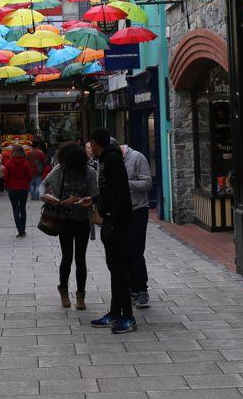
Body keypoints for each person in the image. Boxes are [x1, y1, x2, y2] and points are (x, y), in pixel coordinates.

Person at [40, 141, 98, 310]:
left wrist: (86, 200)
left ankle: (81, 294)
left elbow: (95, 194)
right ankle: (63, 290)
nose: (69, 169)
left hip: (82, 220)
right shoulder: (59, 169)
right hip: (64, 220)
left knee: (81, 259)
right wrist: (45, 196)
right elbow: (43, 184)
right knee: (67, 257)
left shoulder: (89, 172)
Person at [88, 128, 135, 333]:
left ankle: (128, 316)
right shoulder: (106, 160)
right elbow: (108, 191)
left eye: (91, 145)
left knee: (119, 270)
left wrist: (115, 219)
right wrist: (95, 201)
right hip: (110, 220)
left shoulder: (112, 160)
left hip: (116, 222)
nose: (90, 149)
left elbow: (121, 192)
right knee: (114, 269)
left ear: (95, 144)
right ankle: (116, 312)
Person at [120, 143, 152, 308]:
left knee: (135, 251)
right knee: (123, 252)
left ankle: (142, 289)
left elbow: (147, 183)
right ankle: (131, 287)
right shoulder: (108, 161)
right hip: (119, 213)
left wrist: (126, 183)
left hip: (137, 210)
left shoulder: (137, 157)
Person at [4, 144, 33, 237]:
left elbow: (6, 177)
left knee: (15, 209)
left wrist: (7, 185)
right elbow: (29, 176)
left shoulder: (8, 162)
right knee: (23, 208)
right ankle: (23, 229)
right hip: (23, 188)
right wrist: (26, 183)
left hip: (12, 189)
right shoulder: (26, 163)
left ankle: (19, 230)